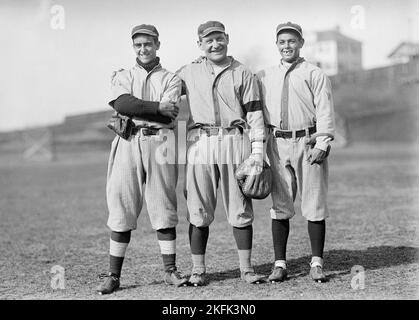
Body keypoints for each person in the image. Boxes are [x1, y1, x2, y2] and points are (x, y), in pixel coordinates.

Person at [97, 24, 188, 295]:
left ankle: (170, 270)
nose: (143, 49)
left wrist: (152, 109)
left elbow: (168, 115)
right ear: (133, 47)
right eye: (138, 45)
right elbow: (122, 104)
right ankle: (113, 275)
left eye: (148, 44)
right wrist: (156, 106)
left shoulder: (171, 78)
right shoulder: (123, 75)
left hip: (161, 142)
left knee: (163, 205)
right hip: (127, 141)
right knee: (121, 205)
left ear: (158, 45)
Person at [176, 21, 266, 286]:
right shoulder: (188, 72)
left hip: (235, 140)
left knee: (240, 207)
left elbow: (255, 114)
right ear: (200, 45)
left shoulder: (242, 73)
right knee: (198, 208)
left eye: (219, 39)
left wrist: (258, 153)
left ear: (227, 38)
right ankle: (198, 269)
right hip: (201, 142)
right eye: (208, 41)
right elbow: (163, 91)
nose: (215, 45)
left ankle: (246, 269)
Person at [256, 22, 335, 283]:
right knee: (280, 205)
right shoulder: (264, 75)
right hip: (277, 144)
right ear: (276, 45)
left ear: (301, 43)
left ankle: (316, 263)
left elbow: (324, 110)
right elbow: (256, 113)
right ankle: (280, 264)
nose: (287, 46)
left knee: (314, 204)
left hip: (308, 141)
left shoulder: (314, 73)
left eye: (292, 41)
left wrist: (323, 143)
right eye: (282, 42)